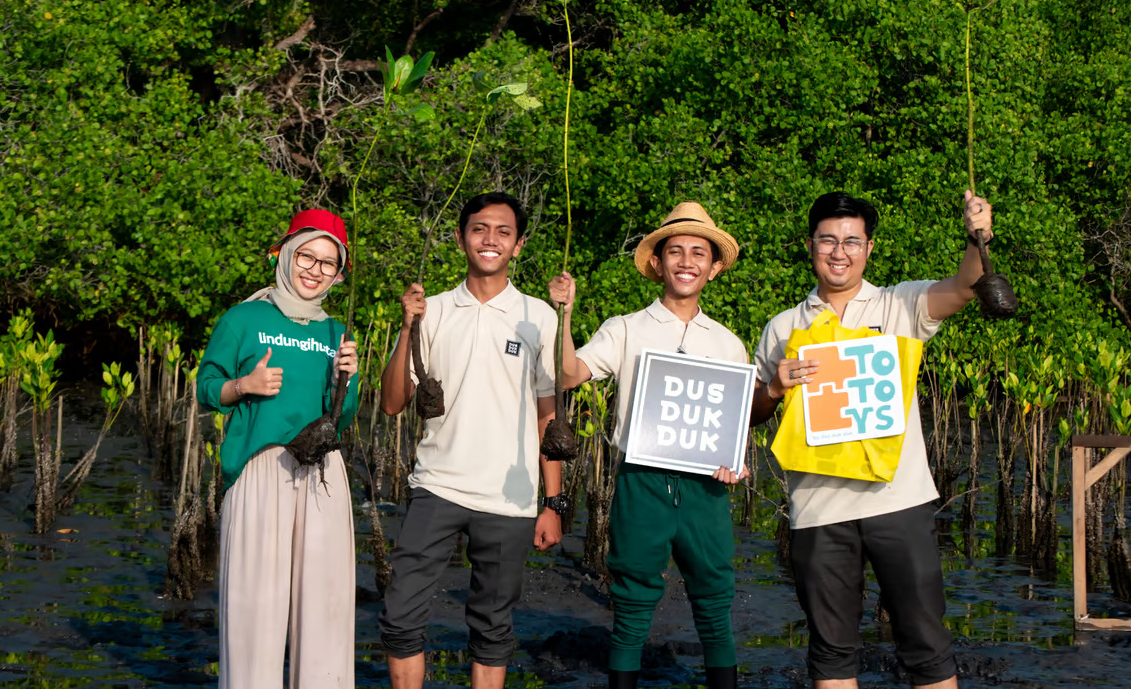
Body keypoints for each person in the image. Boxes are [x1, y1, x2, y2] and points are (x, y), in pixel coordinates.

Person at [750, 190, 995, 689]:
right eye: (828, 240)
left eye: (851, 241)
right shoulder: (782, 326)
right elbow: (750, 414)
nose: (839, 252)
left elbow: (968, 286)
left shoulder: (899, 303)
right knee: (831, 651)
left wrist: (979, 236)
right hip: (818, 508)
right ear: (809, 245)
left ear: (869, 248)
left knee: (925, 643)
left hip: (897, 501)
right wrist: (776, 387)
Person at [548, 201, 748, 689]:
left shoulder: (728, 343)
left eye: (698, 253)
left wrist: (735, 465)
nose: (686, 261)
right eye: (674, 251)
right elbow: (568, 373)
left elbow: (734, 432)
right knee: (633, 602)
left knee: (715, 600)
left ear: (713, 267)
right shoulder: (624, 328)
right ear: (656, 262)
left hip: (706, 491)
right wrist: (564, 315)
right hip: (642, 483)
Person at [378, 191, 565, 689]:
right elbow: (394, 402)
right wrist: (407, 329)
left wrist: (554, 502)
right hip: (436, 485)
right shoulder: (432, 310)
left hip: (509, 500)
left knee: (492, 630)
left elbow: (549, 417)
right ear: (462, 238)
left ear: (519, 246)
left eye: (503, 232)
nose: (490, 240)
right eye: (480, 229)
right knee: (399, 617)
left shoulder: (538, 316)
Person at [196, 208, 360, 688]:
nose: (314, 269)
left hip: (324, 477)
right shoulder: (244, 318)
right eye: (306, 256)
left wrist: (347, 382)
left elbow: (342, 419)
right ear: (286, 254)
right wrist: (243, 384)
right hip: (261, 470)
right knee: (256, 607)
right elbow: (207, 387)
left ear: (338, 273)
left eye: (328, 263)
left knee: (326, 607)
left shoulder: (337, 332)